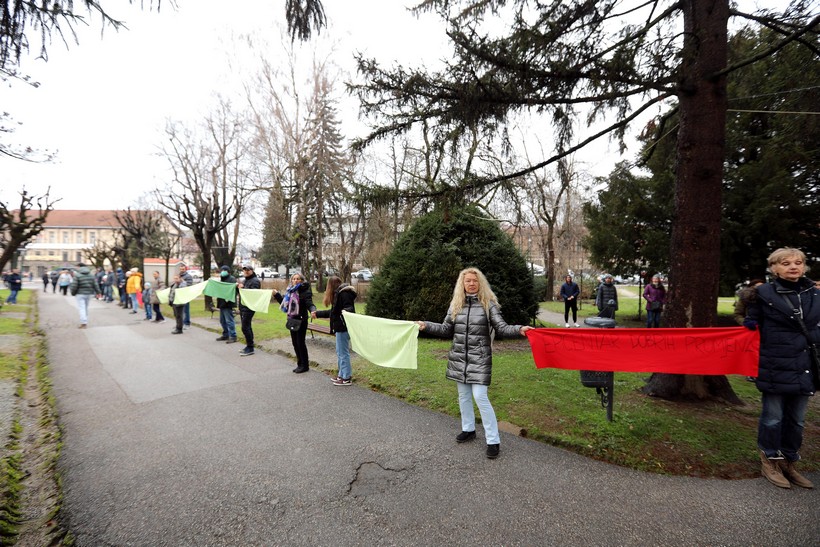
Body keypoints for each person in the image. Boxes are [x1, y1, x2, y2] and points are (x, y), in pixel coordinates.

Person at [417, 267, 532, 459]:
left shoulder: (488, 304)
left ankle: (493, 440)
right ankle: (468, 429)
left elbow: (502, 327)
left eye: (475, 280)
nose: (471, 283)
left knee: (480, 396)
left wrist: (519, 329)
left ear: (480, 283)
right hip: (459, 358)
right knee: (463, 396)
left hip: (480, 358)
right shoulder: (456, 304)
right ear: (462, 284)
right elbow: (445, 329)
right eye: (468, 280)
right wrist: (426, 325)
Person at [744, 247, 818, 489]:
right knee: (772, 418)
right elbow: (751, 324)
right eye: (786, 263)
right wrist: (750, 322)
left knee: (797, 421)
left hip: (805, 365)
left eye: (798, 262)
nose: (793, 267)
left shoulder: (814, 294)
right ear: (774, 268)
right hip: (775, 365)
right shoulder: (763, 293)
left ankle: (789, 461)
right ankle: (769, 460)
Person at [311, 276, 357, 385]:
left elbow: (349, 308)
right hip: (339, 327)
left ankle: (346, 377)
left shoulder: (344, 294)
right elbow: (333, 312)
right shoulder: (338, 294)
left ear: (330, 285)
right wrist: (318, 314)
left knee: (343, 353)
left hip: (342, 327)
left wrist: (344, 311)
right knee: (340, 352)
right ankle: (341, 375)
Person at [274, 272, 316, 371]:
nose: (295, 280)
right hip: (292, 319)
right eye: (294, 279)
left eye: (298, 279)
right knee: (295, 343)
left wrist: (313, 310)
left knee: (300, 342)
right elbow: (285, 303)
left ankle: (305, 365)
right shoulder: (290, 291)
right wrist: (276, 295)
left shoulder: (305, 291)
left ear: (301, 280)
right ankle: (300, 364)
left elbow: (309, 303)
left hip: (301, 320)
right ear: (291, 281)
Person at [236, 265, 262, 356]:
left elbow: (253, 294)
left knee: (244, 327)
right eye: (244, 270)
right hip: (243, 306)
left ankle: (250, 347)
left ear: (252, 271)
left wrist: (242, 288)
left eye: (248, 270)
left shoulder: (255, 281)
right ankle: (249, 345)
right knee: (247, 326)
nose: (246, 271)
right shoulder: (245, 280)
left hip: (249, 307)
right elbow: (241, 293)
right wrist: (238, 288)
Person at [70, 265, 101, 329]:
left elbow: (74, 286)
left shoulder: (77, 275)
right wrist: (98, 292)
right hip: (89, 294)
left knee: (82, 308)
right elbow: (95, 284)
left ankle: (83, 323)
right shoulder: (91, 275)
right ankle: (85, 320)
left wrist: (73, 293)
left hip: (80, 294)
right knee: (85, 307)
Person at [215, 265, 238, 344]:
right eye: (222, 270)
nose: (222, 272)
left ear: (228, 271)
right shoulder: (222, 279)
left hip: (228, 303)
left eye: (224, 270)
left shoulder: (232, 279)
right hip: (222, 302)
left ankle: (233, 336)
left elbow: (234, 290)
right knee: (222, 321)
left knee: (229, 320)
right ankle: (226, 334)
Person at [178, 264, 194, 329]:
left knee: (185, 310)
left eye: (183, 269)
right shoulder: (178, 275)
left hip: (185, 295)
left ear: (185, 269)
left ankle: (187, 324)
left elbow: (189, 285)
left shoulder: (188, 276)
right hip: (179, 295)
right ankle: (180, 324)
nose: (182, 270)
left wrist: (182, 282)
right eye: (181, 269)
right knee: (179, 310)